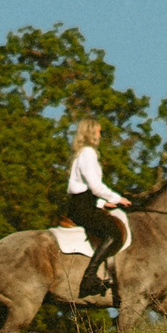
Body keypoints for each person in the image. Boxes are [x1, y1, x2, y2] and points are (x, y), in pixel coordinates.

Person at [64, 119, 132, 305]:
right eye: (98, 132)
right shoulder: (88, 153)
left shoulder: (82, 154)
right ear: (90, 132)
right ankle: (89, 277)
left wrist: (103, 203)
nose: (100, 136)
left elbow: (86, 188)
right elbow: (95, 186)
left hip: (85, 203)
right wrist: (117, 199)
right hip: (83, 207)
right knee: (114, 232)